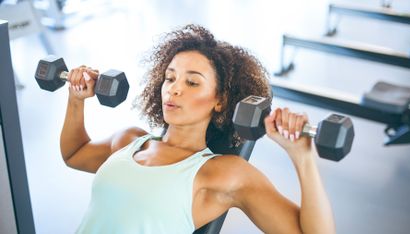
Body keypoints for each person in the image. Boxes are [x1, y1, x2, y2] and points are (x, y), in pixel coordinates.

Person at [60, 24, 335, 234]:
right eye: (170, 78)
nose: (174, 89)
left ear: (220, 101)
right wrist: (76, 98)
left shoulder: (223, 173)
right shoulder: (129, 140)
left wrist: (303, 157)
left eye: (192, 83)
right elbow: (75, 154)